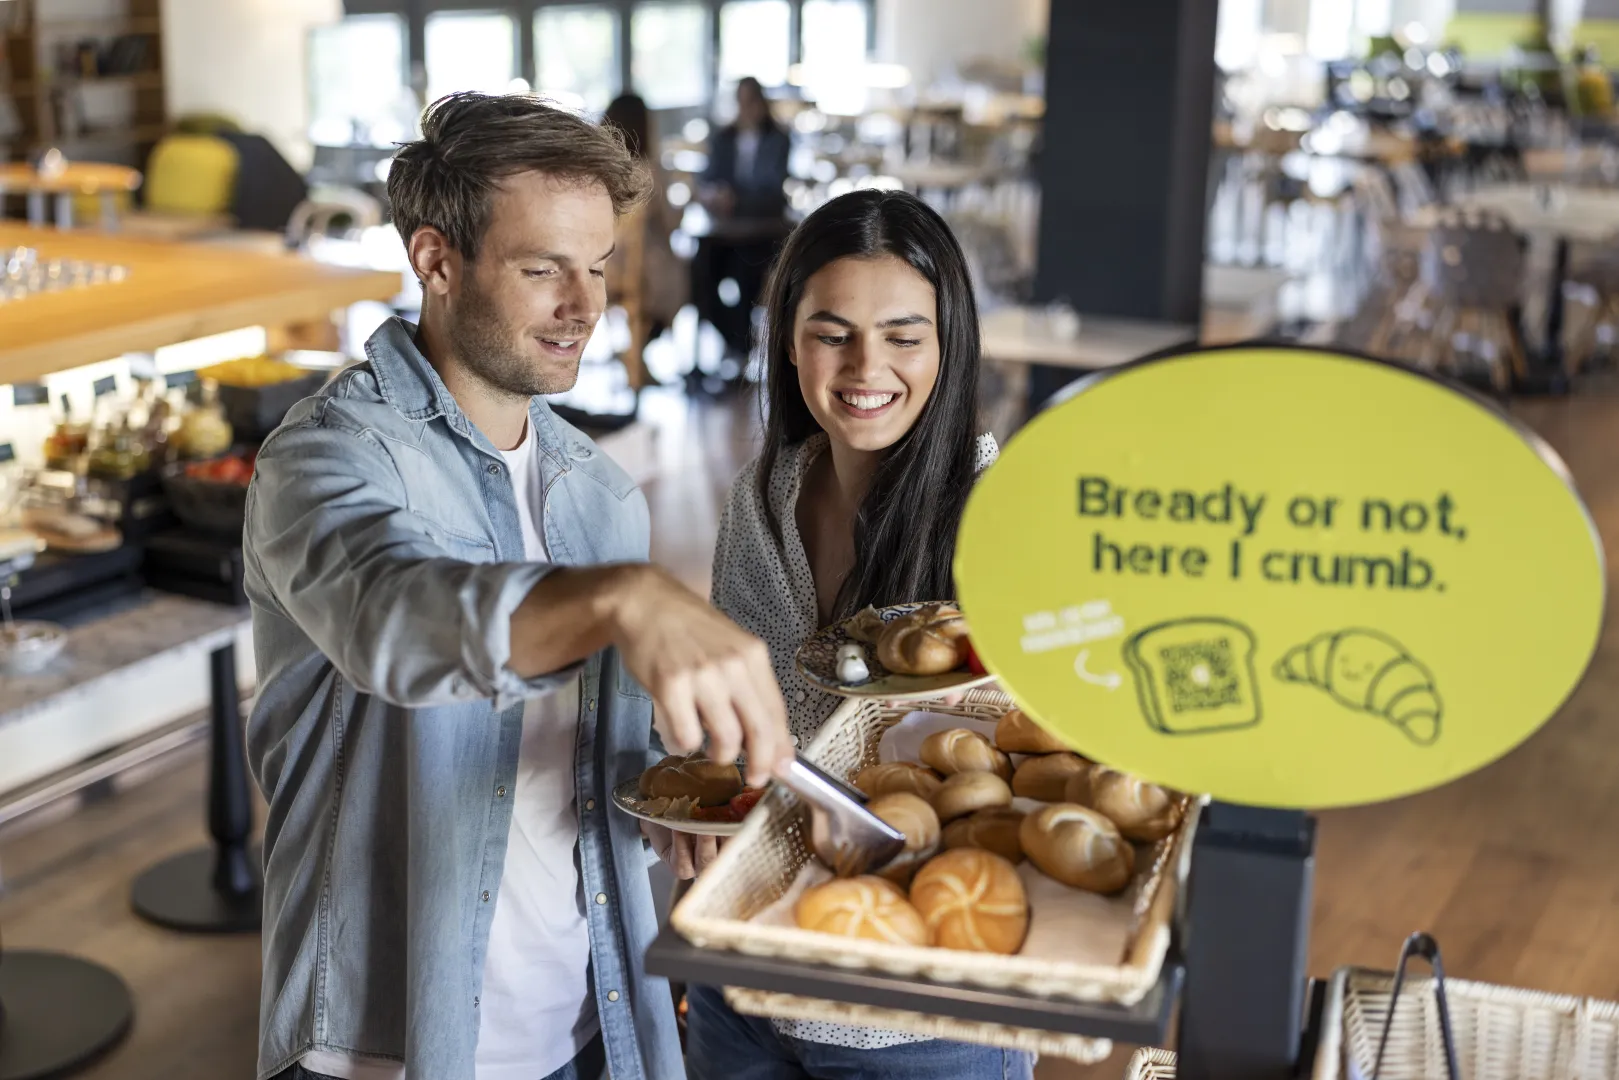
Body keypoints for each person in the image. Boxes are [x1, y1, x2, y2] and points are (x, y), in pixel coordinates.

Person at [243, 91, 793, 1080]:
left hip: (590, 1026)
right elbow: (391, 622)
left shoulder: (597, 488)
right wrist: (619, 600)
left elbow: (589, 760)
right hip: (385, 1046)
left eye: (596, 267)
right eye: (544, 270)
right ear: (436, 261)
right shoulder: (324, 461)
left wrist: (682, 802)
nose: (584, 306)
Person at [685, 189, 1032, 1080]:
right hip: (747, 978)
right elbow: (727, 736)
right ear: (787, 340)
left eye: (903, 335)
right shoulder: (762, 501)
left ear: (948, 346)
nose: (864, 365)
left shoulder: (1005, 524)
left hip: (918, 1015)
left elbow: (1030, 781)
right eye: (831, 332)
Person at [691, 76, 792, 381]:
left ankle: (741, 347)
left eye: (751, 101)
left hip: (761, 234)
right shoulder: (721, 138)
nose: (745, 108)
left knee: (746, 278)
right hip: (721, 233)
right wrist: (712, 195)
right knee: (699, 275)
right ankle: (738, 343)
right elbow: (705, 181)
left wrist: (734, 200)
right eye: (741, 101)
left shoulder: (778, 139)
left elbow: (773, 191)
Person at [603, 92, 688, 380]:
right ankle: (636, 352)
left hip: (599, 269)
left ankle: (633, 354)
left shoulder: (596, 171)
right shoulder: (650, 171)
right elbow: (670, 224)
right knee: (686, 279)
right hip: (642, 276)